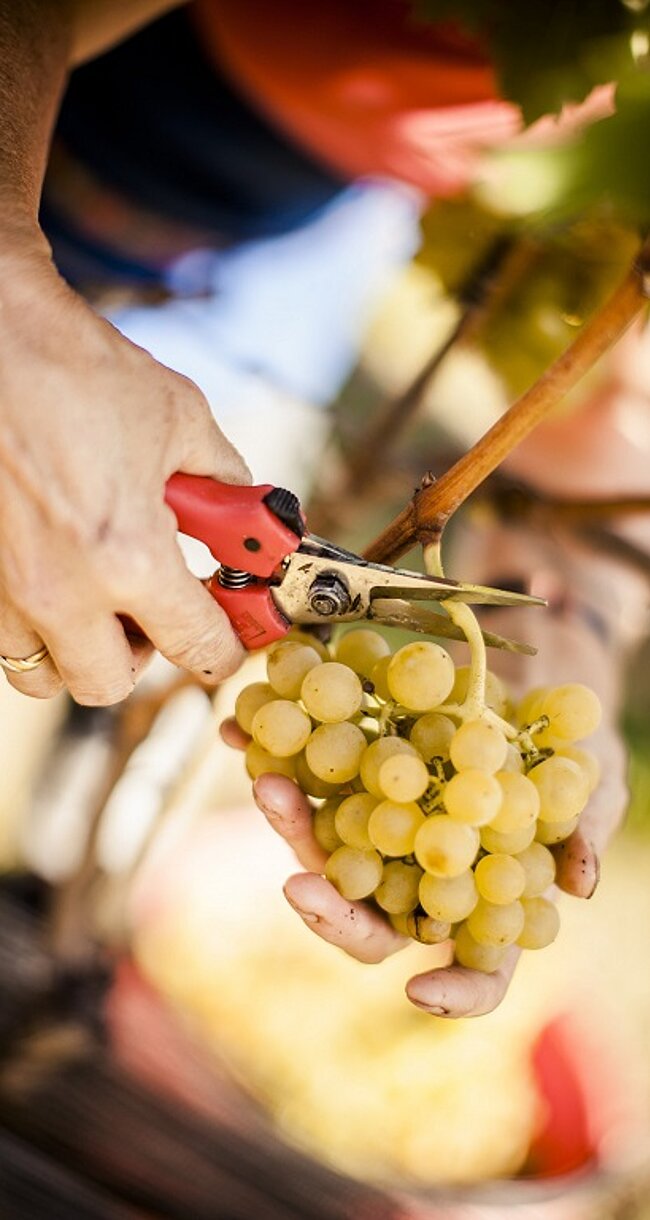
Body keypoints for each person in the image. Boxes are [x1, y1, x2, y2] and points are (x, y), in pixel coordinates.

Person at [0, 0, 641, 1018]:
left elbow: (622, 408)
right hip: (85, 107)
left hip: (305, 205)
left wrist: (580, 638)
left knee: (117, 525)